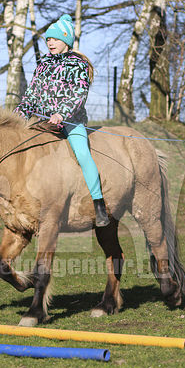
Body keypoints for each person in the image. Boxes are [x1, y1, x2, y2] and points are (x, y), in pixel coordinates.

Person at [14, 14, 110, 227]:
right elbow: (32, 94)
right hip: (42, 121)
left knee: (83, 155)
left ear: (66, 41)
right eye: (48, 39)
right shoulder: (43, 64)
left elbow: (79, 94)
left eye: (54, 39)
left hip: (70, 121)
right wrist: (18, 114)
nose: (50, 43)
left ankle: (98, 203)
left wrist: (61, 114)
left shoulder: (78, 64)